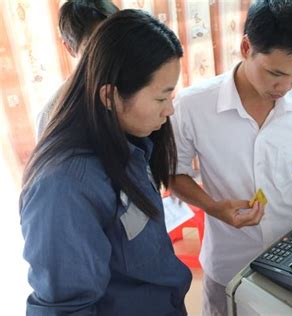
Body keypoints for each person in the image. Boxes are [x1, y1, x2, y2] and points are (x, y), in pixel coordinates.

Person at [170, 1, 292, 314]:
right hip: (228, 258)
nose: (285, 87)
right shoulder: (193, 105)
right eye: (275, 73)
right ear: (247, 47)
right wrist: (214, 207)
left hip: (287, 250)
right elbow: (174, 174)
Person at [21, 10, 191, 315]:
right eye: (161, 98)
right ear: (110, 96)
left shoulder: (131, 142)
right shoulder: (64, 188)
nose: (170, 111)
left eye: (171, 96)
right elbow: (65, 308)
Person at [35, 0, 119, 140]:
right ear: (69, 48)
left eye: (115, 42)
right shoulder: (52, 114)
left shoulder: (139, 84)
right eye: (95, 48)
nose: (110, 54)